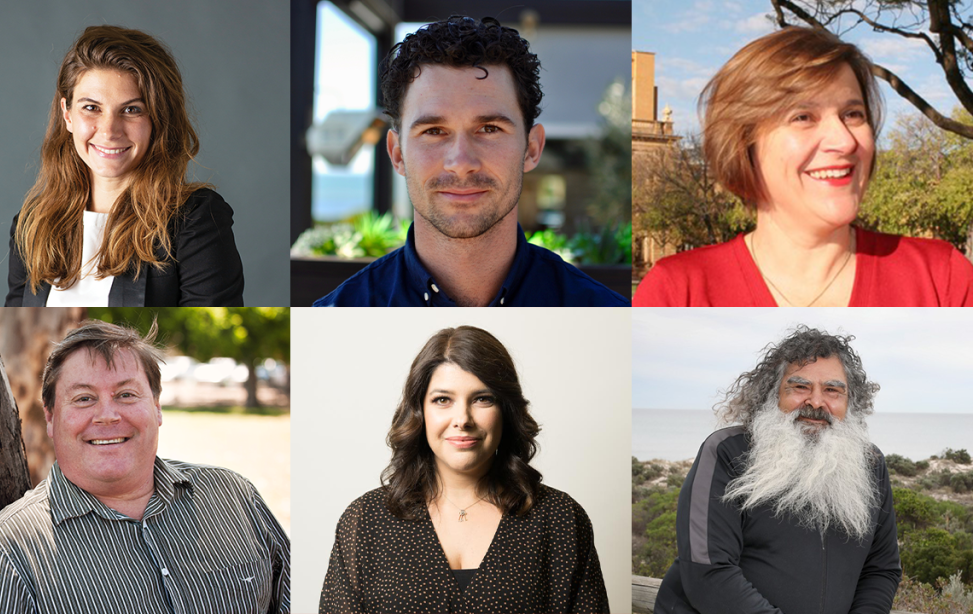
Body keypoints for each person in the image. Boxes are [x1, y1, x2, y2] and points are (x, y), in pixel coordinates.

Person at [0, 320, 289, 613]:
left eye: (126, 394)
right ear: (51, 418)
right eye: (84, 398)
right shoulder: (3, 557)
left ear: (156, 407)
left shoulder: (234, 498)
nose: (108, 414)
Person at [633, 26, 973, 306]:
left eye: (853, 114)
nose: (844, 140)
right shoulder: (677, 294)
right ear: (744, 144)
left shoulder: (941, 280)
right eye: (803, 117)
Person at [313, 16, 629, 307]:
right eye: (434, 131)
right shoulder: (336, 312)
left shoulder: (604, 310)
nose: (461, 162)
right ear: (397, 154)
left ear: (531, 148)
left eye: (489, 129)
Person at [319, 326, 610, 612]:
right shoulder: (366, 521)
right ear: (420, 412)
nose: (463, 419)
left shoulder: (561, 519)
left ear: (506, 410)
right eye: (442, 400)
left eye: (482, 399)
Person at [654, 326, 900, 613]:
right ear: (773, 394)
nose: (817, 402)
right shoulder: (727, 452)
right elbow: (708, 570)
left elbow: (881, 569)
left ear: (850, 402)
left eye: (832, 390)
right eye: (800, 387)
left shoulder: (870, 464)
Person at [6, 25, 244, 307]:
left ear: (158, 118)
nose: (109, 130)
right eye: (91, 108)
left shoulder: (196, 220)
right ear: (67, 115)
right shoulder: (32, 224)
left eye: (132, 109)